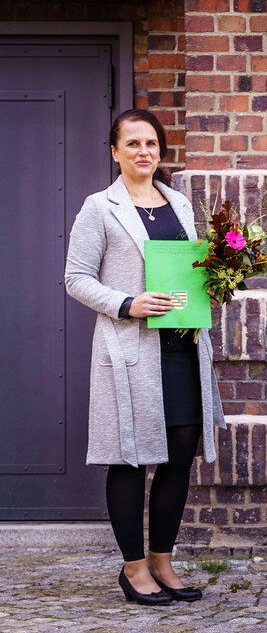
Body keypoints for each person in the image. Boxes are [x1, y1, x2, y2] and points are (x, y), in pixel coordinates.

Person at [65, 109, 225, 606]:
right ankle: (133, 569)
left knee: (179, 457)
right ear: (115, 152)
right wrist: (127, 304)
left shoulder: (178, 203)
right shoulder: (100, 207)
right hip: (131, 347)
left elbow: (190, 269)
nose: (143, 152)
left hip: (183, 345)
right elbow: (75, 278)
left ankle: (163, 561)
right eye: (132, 144)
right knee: (130, 458)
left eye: (151, 144)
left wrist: (216, 282)